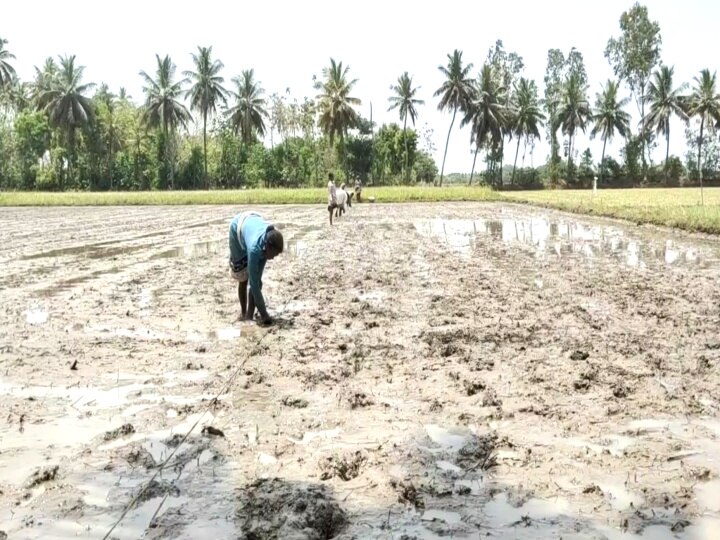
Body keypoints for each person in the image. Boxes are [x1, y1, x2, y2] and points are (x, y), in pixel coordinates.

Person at [228, 212, 283, 325]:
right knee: (243, 278)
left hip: (252, 222)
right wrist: (264, 314)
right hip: (237, 227)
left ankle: (249, 315)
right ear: (267, 247)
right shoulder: (255, 249)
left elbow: (256, 282)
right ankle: (244, 314)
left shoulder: (266, 246)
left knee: (257, 280)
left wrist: (262, 313)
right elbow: (253, 285)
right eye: (274, 254)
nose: (272, 258)